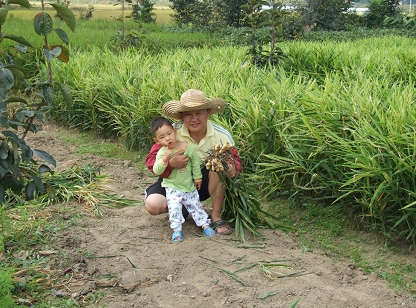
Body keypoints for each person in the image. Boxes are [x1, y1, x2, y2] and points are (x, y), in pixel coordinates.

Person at [145, 89, 242, 235]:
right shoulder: (170, 132)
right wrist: (171, 163)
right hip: (174, 182)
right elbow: (152, 162)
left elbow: (235, 160)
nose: (194, 118)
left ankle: (215, 216)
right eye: (188, 114)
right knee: (153, 205)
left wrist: (233, 168)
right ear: (181, 116)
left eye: (198, 113)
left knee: (219, 167)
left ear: (208, 112)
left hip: (201, 184)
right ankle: (183, 206)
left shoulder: (221, 135)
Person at [150, 116, 216, 242]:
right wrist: (165, 160)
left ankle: (205, 225)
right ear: (157, 141)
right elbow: (156, 170)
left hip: (188, 185)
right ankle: (177, 230)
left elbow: (195, 163)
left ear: (175, 131)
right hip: (172, 186)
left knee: (196, 205)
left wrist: (197, 178)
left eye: (169, 133)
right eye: (162, 137)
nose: (167, 138)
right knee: (174, 207)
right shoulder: (162, 152)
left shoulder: (188, 147)